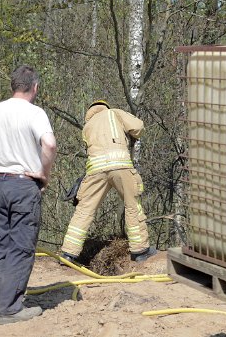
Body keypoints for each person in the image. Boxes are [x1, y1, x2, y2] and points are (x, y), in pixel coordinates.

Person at [0, 65, 57, 325]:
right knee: (21, 246)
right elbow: (49, 144)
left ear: (13, 86)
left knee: (1, 245)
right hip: (24, 185)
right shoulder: (35, 113)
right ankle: (10, 309)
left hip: (1, 185)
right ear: (35, 87)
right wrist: (43, 173)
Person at [60, 100, 156, 264]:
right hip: (120, 165)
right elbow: (138, 126)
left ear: (89, 113)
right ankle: (140, 251)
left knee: (84, 211)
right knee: (132, 206)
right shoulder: (115, 113)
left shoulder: (87, 127)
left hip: (95, 170)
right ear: (105, 107)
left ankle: (68, 254)